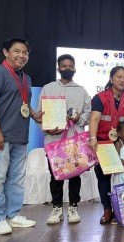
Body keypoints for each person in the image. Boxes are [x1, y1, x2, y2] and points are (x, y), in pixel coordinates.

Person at [0, 38, 41, 235]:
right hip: (0, 136)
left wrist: (34, 115)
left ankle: (13, 215)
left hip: (20, 136)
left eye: (25, 52)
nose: (21, 56)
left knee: (17, 178)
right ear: (6, 52)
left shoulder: (27, 78)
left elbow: (23, 102)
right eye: (17, 51)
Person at [36, 54, 91, 224]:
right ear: (58, 68)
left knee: (75, 175)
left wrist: (79, 119)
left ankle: (73, 207)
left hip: (75, 141)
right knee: (56, 176)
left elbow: (88, 113)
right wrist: (46, 129)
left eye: (71, 66)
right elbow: (40, 114)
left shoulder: (81, 90)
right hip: (54, 141)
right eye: (64, 66)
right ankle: (57, 208)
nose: (68, 68)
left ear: (75, 68)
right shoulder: (47, 88)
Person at [89, 66, 124, 224]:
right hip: (103, 144)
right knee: (104, 178)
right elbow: (95, 119)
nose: (122, 80)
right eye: (118, 77)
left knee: (122, 178)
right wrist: (92, 138)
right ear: (111, 78)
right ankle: (107, 210)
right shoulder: (100, 97)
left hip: (123, 146)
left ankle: (122, 209)